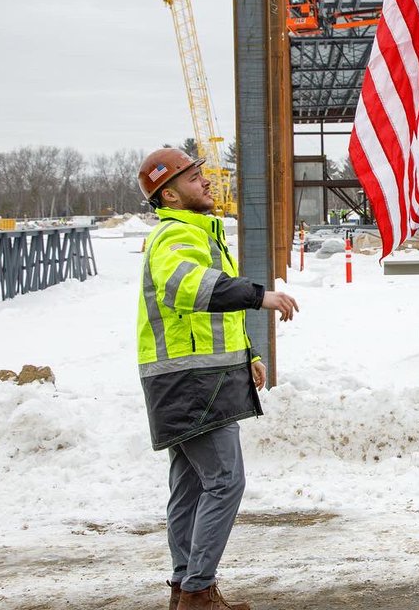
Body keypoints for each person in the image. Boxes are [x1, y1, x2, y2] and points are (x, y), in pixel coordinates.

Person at [135, 148, 299, 610]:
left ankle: (185, 589)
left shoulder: (197, 233)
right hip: (190, 384)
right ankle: (196, 594)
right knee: (225, 481)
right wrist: (258, 296)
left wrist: (247, 355)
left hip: (197, 379)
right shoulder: (175, 237)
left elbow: (208, 315)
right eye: (193, 178)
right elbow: (190, 288)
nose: (205, 182)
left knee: (189, 487)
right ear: (170, 193)